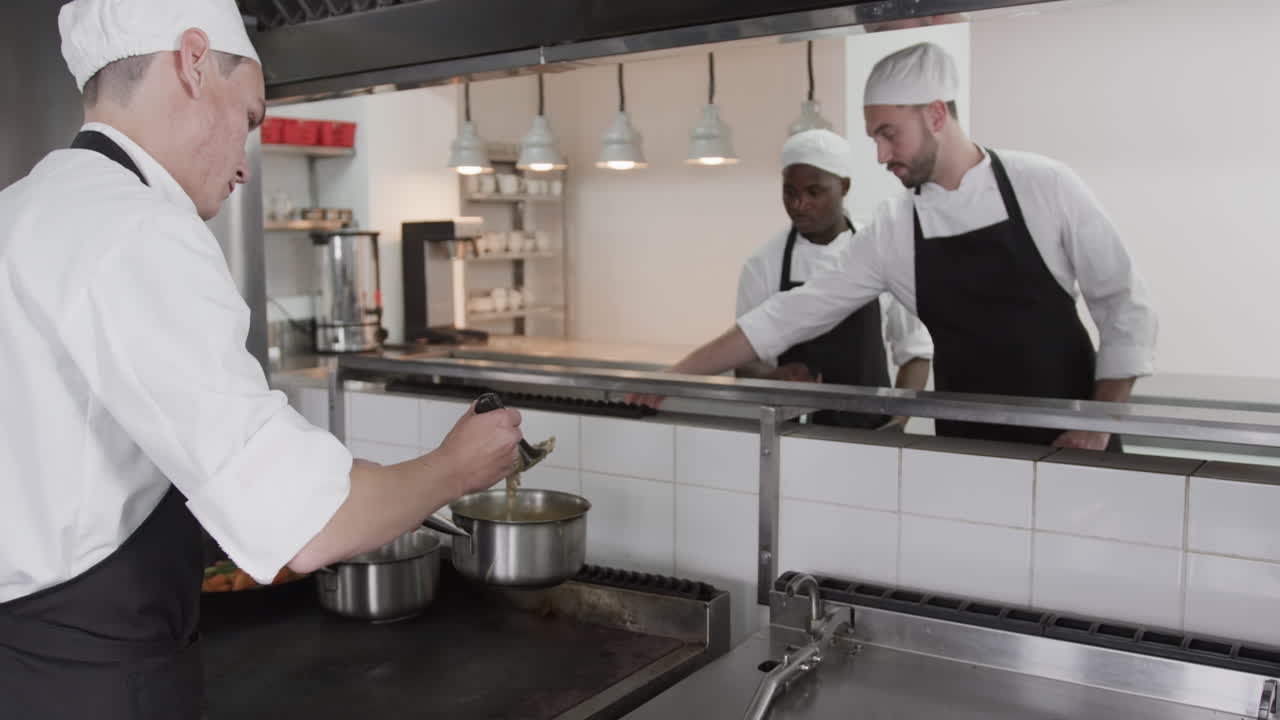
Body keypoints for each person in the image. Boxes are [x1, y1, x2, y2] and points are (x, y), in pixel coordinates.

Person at [0, 1, 520, 716]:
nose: (245, 166)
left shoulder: (20, 209)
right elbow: (309, 528)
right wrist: (456, 467)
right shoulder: (139, 229)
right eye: (250, 119)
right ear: (190, 62)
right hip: (97, 680)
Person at [633, 42, 1156, 450]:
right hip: (965, 446)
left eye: (889, 133)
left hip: (1073, 438)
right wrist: (679, 374)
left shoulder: (1043, 184)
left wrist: (1100, 420)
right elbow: (790, 314)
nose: (880, 155)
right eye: (873, 138)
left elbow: (1121, 304)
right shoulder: (894, 229)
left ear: (934, 114)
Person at [735, 128, 932, 429]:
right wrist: (774, 376)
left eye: (814, 192)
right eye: (790, 192)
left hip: (871, 433)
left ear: (844, 186)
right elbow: (745, 364)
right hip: (791, 434)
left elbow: (915, 352)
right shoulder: (763, 264)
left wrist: (899, 420)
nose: (800, 204)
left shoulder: (880, 252)